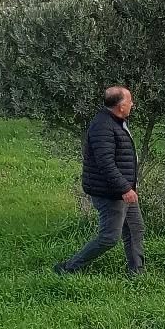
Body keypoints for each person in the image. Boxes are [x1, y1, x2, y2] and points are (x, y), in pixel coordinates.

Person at [56, 83, 144, 277]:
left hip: (123, 190)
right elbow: (105, 163)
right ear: (120, 105)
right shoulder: (103, 126)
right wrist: (124, 188)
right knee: (109, 237)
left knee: (135, 229)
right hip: (111, 192)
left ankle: (137, 273)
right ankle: (68, 268)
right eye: (129, 101)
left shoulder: (116, 122)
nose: (132, 104)